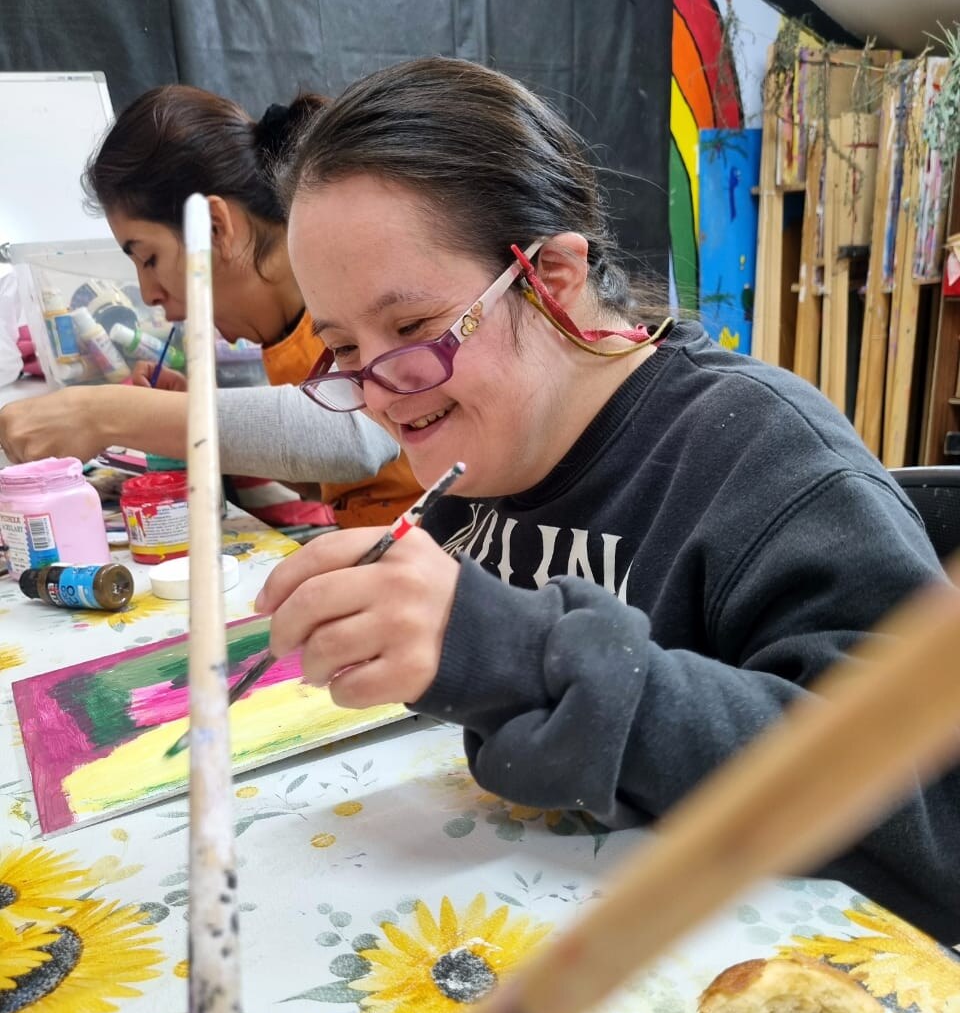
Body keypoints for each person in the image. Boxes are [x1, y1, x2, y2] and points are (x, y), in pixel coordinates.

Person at [242, 56, 958, 944]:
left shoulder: (761, 460)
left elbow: (929, 818)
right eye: (345, 349)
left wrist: (521, 653)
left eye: (415, 328)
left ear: (551, 275)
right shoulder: (478, 464)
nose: (382, 392)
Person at [0, 85, 415, 527]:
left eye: (150, 259)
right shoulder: (287, 332)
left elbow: (358, 437)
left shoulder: (349, 284)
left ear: (215, 227)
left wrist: (106, 414)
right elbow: (338, 479)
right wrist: (185, 417)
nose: (149, 295)